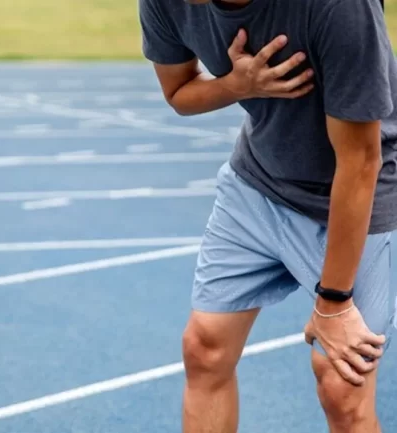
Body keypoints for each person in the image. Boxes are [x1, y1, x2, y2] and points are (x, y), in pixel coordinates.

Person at [138, 0, 397, 432]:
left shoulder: (339, 7)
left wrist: (333, 303)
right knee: (204, 349)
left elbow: (360, 161)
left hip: (357, 190)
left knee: (342, 386)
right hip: (259, 180)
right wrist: (236, 86)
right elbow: (178, 92)